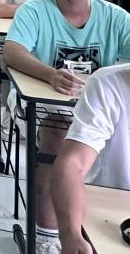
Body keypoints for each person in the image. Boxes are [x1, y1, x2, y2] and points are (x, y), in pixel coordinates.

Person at [2, 0, 130, 252]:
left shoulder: (116, 17)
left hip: (100, 103)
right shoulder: (35, 10)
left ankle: (97, 221)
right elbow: (12, 51)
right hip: (43, 101)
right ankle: (48, 236)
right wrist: (50, 74)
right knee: (58, 139)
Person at [52, 64, 130, 254]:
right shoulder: (108, 83)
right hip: (106, 211)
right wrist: (71, 234)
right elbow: (73, 163)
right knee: (53, 132)